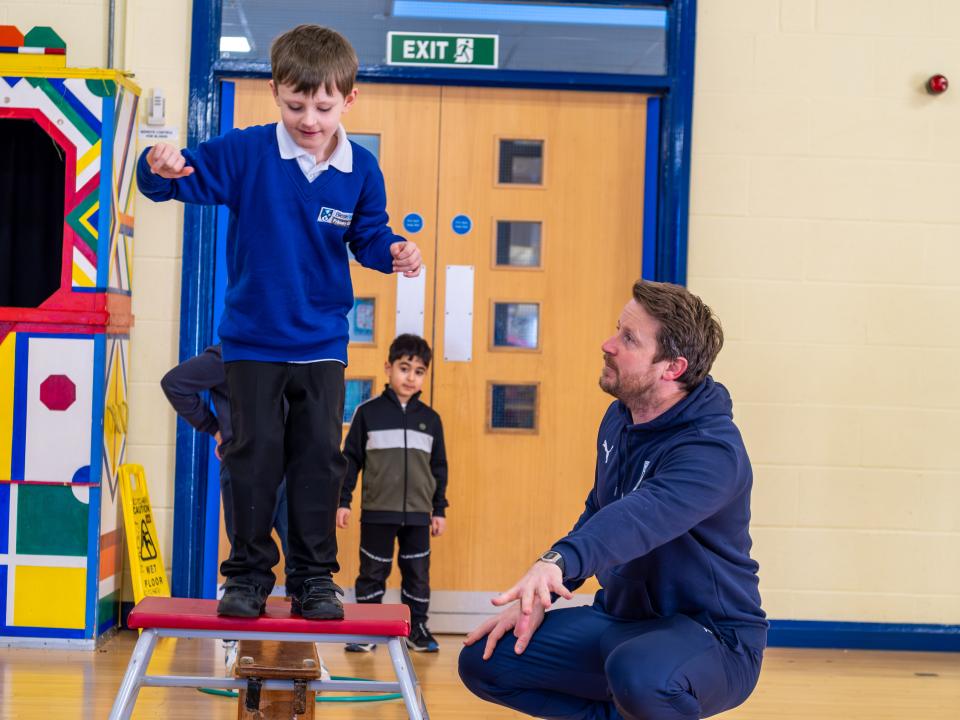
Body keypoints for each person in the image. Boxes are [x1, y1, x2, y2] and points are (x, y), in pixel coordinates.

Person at [137, 24, 422, 619]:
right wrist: (155, 162)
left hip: (320, 341)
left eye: (322, 106)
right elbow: (173, 180)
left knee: (319, 458)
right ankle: (245, 577)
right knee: (253, 455)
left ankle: (314, 579)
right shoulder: (247, 152)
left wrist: (393, 250)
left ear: (349, 99)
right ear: (276, 92)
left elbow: (368, 237)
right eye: (296, 105)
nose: (310, 120)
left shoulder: (361, 169)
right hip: (252, 342)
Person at [458, 280, 767, 720]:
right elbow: (601, 510)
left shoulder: (712, 451)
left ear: (672, 368)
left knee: (640, 675)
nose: (607, 345)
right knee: (486, 661)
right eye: (616, 329)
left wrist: (555, 561)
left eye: (628, 339)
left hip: (713, 638)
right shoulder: (620, 418)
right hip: (623, 622)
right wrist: (542, 596)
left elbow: (639, 517)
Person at [336, 334, 448, 653]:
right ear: (388, 368)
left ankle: (417, 628)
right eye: (404, 368)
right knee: (372, 571)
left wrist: (439, 509)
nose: (410, 377)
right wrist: (343, 502)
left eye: (419, 371)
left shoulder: (431, 420)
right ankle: (367, 628)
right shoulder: (367, 413)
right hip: (377, 510)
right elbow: (350, 460)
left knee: (417, 573)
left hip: (418, 514)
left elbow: (439, 467)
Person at [159, 344, 290, 579]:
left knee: (301, 558)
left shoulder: (290, 350)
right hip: (248, 462)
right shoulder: (229, 352)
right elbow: (174, 383)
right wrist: (214, 429)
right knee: (248, 561)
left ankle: (302, 602)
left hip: (290, 463)